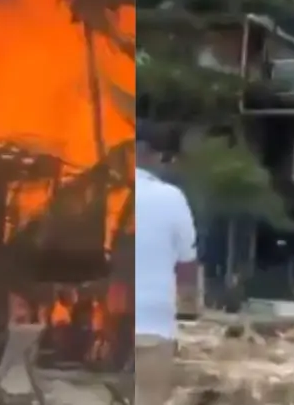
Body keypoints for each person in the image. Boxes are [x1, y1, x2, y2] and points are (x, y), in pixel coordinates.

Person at [135, 126, 197, 405]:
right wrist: (188, 305)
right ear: (153, 156)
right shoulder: (171, 197)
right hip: (153, 321)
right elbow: (186, 264)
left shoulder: (103, 193)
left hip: (106, 323)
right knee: (149, 398)